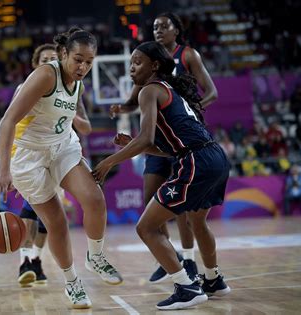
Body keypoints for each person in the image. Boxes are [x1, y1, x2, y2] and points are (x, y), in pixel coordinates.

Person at [0, 27, 122, 309]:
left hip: (62, 146)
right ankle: (72, 282)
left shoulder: (79, 82)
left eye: (89, 61)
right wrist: (4, 170)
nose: (83, 67)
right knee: (57, 224)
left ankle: (95, 256)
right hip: (28, 157)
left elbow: (73, 120)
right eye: (78, 59)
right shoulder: (45, 75)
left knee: (95, 199)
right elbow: (8, 121)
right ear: (63, 54)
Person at [93, 41, 230, 310]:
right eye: (130, 62)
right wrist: (133, 142)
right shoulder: (169, 90)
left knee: (146, 227)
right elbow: (167, 149)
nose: (132, 67)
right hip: (214, 157)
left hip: (196, 161)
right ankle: (213, 280)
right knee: (198, 223)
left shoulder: (149, 91)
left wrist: (108, 162)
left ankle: (187, 287)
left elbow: (145, 141)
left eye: (138, 62)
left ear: (154, 65)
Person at [110, 12, 218, 283]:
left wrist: (193, 110)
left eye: (163, 26)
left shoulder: (188, 55)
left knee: (182, 206)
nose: (158, 30)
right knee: (151, 200)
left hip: (184, 141)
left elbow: (212, 92)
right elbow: (135, 99)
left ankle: (190, 261)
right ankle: (172, 256)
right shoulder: (147, 62)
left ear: (176, 30)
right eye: (155, 26)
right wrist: (122, 107)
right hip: (158, 139)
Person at [0, 43, 92, 287]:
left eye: (53, 58)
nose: (49, 62)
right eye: (44, 59)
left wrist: (70, 114)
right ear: (36, 65)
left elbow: (86, 127)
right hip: (29, 153)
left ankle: (34, 260)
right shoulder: (27, 87)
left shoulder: (72, 88)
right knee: (31, 206)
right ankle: (26, 260)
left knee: (50, 216)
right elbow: (11, 120)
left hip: (58, 152)